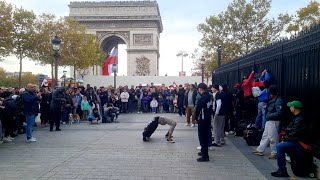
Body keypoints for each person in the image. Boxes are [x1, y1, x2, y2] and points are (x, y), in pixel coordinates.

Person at [271, 101, 310, 177]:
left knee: (280, 146)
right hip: (296, 141)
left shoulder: (300, 119)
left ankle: (282, 171)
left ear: (294, 108)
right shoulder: (297, 117)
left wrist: (285, 139)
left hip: (299, 143)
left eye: (291, 107)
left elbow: (294, 134)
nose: (289, 108)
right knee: (281, 146)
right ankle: (281, 170)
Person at [253, 85, 283, 159]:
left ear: (272, 93)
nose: (269, 95)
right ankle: (260, 149)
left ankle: (274, 153)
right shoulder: (275, 100)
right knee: (266, 136)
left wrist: (270, 115)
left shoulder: (278, 101)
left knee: (273, 137)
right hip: (270, 120)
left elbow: (280, 112)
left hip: (273, 121)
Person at [194, 83, 212, 162]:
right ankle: (203, 151)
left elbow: (198, 109)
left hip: (203, 119)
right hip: (208, 119)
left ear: (200, 89)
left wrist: (195, 118)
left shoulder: (203, 98)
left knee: (202, 137)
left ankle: (205, 156)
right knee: (206, 135)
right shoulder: (209, 96)